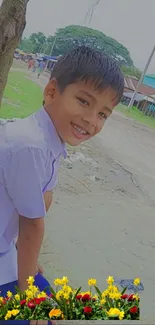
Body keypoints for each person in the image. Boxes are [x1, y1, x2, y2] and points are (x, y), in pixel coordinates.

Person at [0, 46, 124, 298]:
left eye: (102, 114)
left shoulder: (50, 143)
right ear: (52, 92)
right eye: (84, 101)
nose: (92, 119)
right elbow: (32, 225)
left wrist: (27, 261)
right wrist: (29, 290)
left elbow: (41, 202)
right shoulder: (30, 145)